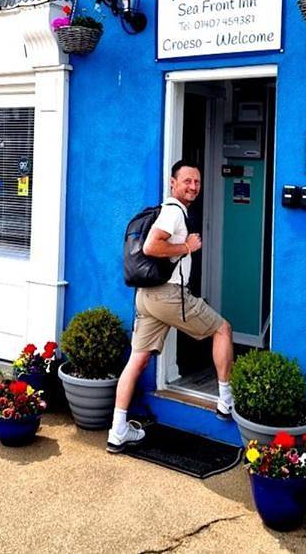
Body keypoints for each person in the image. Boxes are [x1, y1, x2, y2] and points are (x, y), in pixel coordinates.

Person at [107, 160, 234, 454]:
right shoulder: (174, 212)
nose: (193, 186)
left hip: (147, 297)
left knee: (137, 361)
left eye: (197, 182)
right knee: (223, 329)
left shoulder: (168, 211)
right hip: (168, 296)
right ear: (173, 183)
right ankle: (225, 401)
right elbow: (152, 246)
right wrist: (187, 247)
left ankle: (118, 431)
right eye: (187, 181)